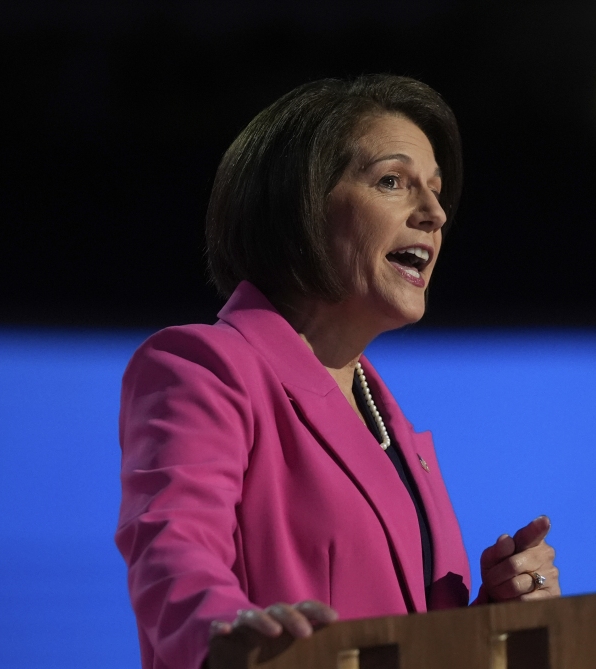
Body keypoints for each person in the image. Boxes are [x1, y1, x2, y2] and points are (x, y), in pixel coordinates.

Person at [115, 74, 560, 669]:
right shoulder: (205, 367)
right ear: (298, 203)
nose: (434, 214)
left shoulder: (386, 416)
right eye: (392, 182)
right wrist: (226, 630)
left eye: (436, 190)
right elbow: (172, 544)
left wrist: (497, 615)